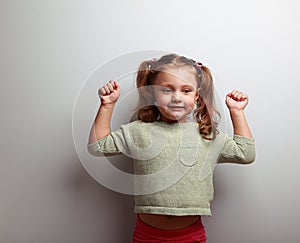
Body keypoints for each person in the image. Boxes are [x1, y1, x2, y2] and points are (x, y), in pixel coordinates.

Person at [87, 53, 255, 243]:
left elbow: (245, 153)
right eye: (167, 90)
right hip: (147, 235)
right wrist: (107, 105)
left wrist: (237, 112)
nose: (177, 98)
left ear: (196, 95)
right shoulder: (139, 131)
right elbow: (97, 146)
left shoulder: (206, 135)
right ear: (152, 93)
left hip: (191, 235)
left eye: (186, 90)